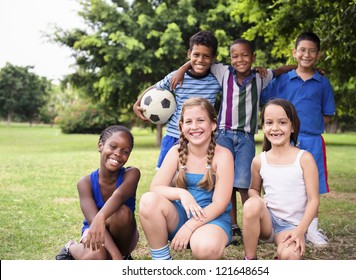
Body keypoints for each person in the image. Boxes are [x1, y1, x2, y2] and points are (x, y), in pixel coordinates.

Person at [170, 38, 294, 244]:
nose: (240, 59)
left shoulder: (260, 77)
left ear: (253, 58)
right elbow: (199, 60)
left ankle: (250, 223)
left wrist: (305, 68)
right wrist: (182, 69)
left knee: (244, 182)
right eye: (235, 56)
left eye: (245, 55)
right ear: (229, 59)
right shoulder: (223, 72)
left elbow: (280, 70)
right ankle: (232, 223)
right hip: (224, 134)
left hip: (246, 137)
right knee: (223, 181)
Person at [261, 32, 335, 246]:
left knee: (314, 184)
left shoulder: (323, 83)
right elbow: (268, 103)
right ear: (295, 52)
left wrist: (308, 126)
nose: (307, 54)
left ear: (318, 55)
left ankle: (311, 229)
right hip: (285, 139)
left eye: (312, 51)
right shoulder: (283, 79)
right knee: (283, 181)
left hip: (312, 140)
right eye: (302, 50)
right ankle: (277, 224)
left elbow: (327, 113)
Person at [139, 97, 234, 260]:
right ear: (182, 127)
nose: (194, 126)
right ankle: (162, 262)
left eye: (200, 120)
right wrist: (183, 194)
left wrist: (190, 227)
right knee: (148, 200)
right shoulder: (176, 152)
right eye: (189, 121)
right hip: (180, 216)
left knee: (206, 249)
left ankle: (201, 239)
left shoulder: (223, 156)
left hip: (211, 219)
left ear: (213, 124)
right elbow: (156, 187)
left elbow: (220, 204)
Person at [242, 98, 320, 260]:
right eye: (269, 123)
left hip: (291, 227)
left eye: (282, 122)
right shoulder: (259, 160)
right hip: (267, 222)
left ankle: (281, 256)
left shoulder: (304, 158)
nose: (275, 128)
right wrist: (257, 199)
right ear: (263, 127)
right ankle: (250, 260)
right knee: (251, 204)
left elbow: (314, 201)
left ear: (292, 126)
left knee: (290, 256)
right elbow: (253, 189)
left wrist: (300, 231)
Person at [133, 30, 221, 170]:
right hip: (174, 135)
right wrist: (137, 104)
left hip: (201, 138)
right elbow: (156, 87)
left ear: (214, 57)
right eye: (196, 55)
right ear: (189, 54)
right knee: (165, 176)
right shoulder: (176, 77)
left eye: (206, 56)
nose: (200, 60)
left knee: (194, 177)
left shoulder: (217, 79)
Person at [55, 125, 140, 260]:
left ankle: (122, 255)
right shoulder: (85, 183)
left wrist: (101, 216)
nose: (118, 153)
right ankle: (71, 247)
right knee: (97, 254)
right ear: (100, 146)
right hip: (95, 230)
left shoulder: (132, 174)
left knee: (122, 212)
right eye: (113, 147)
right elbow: (93, 220)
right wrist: (115, 256)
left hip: (123, 234)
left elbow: (120, 195)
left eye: (125, 151)